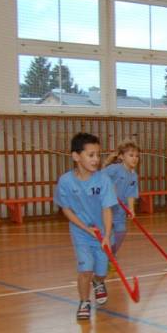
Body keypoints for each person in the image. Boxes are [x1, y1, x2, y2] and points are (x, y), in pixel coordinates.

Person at [54, 133, 117, 320]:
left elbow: (107, 209)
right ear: (76, 156)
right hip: (81, 233)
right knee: (85, 269)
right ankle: (84, 302)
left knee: (100, 272)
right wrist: (85, 228)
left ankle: (99, 283)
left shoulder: (103, 180)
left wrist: (106, 235)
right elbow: (66, 210)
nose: (96, 159)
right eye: (91, 155)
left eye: (98, 154)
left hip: (103, 232)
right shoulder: (65, 181)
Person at [102, 140, 140, 256]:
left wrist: (131, 209)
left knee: (121, 232)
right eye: (131, 155)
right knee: (107, 232)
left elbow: (131, 193)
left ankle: (111, 254)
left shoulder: (133, 175)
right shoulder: (115, 168)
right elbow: (100, 176)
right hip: (106, 207)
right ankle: (103, 255)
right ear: (122, 157)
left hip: (120, 209)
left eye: (137, 156)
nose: (135, 158)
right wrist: (109, 186)